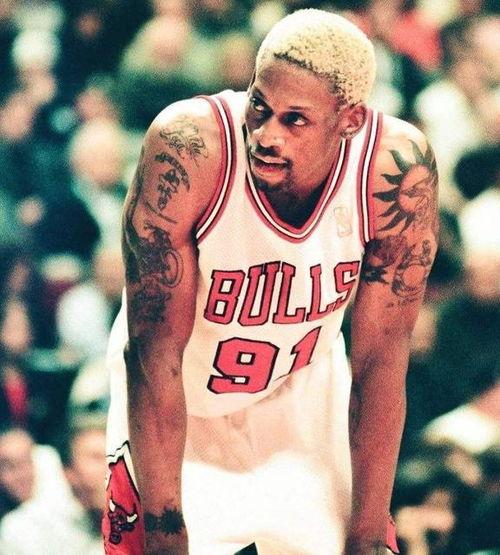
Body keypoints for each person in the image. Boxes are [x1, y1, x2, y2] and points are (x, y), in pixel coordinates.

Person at [103, 8, 438, 555]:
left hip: (300, 393)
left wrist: (368, 529)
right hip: (179, 400)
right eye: (259, 106)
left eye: (294, 120)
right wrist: (164, 528)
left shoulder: (394, 168)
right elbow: (154, 351)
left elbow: (381, 358)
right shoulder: (190, 148)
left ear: (349, 120)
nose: (265, 134)